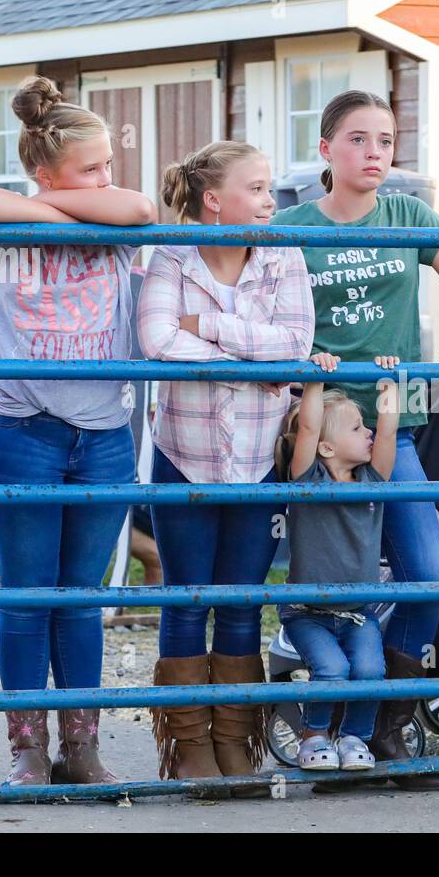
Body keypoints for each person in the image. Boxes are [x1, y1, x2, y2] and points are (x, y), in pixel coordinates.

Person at [271, 90, 439, 790]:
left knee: (427, 574)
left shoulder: (408, 215)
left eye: (385, 139)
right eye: (358, 139)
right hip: (316, 437)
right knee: (295, 578)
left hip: (393, 429)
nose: (375, 151)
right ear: (326, 151)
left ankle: (381, 724)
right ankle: (293, 717)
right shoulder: (290, 226)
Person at [0, 74, 157, 786]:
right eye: (91, 169)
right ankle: (27, 751)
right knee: (27, 594)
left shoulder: (114, 213)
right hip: (24, 428)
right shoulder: (2, 215)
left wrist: (62, 208)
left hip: (103, 431)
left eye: (108, 165)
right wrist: (68, 215)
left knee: (80, 599)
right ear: (45, 173)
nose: (108, 179)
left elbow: (138, 205)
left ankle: (82, 746)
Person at [138, 141, 313, 795]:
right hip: (184, 455)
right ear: (215, 199)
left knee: (241, 600)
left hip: (256, 461)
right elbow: (157, 339)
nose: (271, 202)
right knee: (187, 597)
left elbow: (296, 346)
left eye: (270, 189)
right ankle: (188, 747)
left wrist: (208, 326)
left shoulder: (283, 257)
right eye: (259, 188)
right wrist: (254, 361)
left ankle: (235, 742)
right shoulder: (171, 257)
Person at [274, 370, 400, 771]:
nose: (368, 433)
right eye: (356, 427)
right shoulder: (307, 481)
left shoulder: (372, 481)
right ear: (326, 447)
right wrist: (314, 381)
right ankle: (312, 738)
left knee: (369, 670)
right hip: (308, 613)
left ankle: (353, 739)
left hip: (358, 612)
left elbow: (389, 436)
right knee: (332, 669)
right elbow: (308, 427)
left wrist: (391, 388)